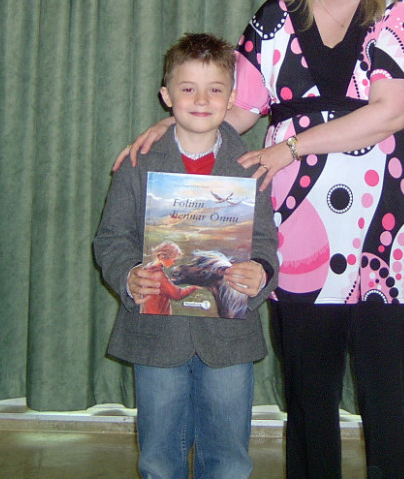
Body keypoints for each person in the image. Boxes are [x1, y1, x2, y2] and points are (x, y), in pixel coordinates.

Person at [118, 0, 404, 479]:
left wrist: (290, 146)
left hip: (389, 238)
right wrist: (169, 128)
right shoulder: (275, 18)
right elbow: (233, 109)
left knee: (391, 404)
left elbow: (390, 112)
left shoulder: (396, 13)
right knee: (309, 404)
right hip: (299, 237)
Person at [94, 32, 279, 479]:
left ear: (231, 99)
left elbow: (265, 242)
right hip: (156, 335)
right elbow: (110, 238)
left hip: (229, 337)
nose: (201, 100)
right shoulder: (138, 163)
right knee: (159, 457)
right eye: (188, 88)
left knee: (229, 458)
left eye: (215, 89)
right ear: (167, 96)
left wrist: (260, 272)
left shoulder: (252, 166)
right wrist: (130, 276)